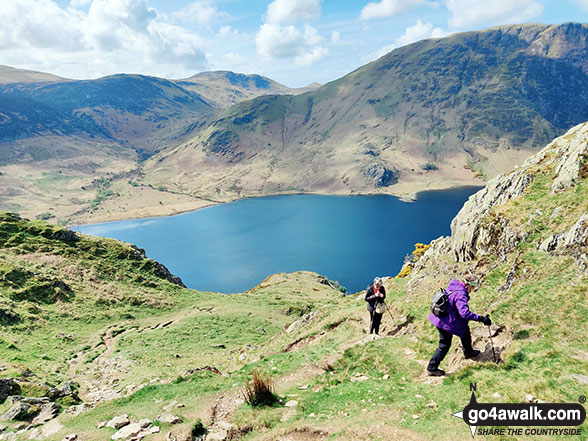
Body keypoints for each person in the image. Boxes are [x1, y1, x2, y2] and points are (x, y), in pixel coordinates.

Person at [427, 273, 491, 376]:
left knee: (465, 330)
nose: (473, 290)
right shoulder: (461, 294)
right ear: (469, 285)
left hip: (443, 318)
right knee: (444, 345)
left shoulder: (454, 286)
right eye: (473, 287)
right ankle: (432, 368)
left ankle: (468, 352)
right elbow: (464, 313)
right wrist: (481, 318)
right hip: (445, 323)